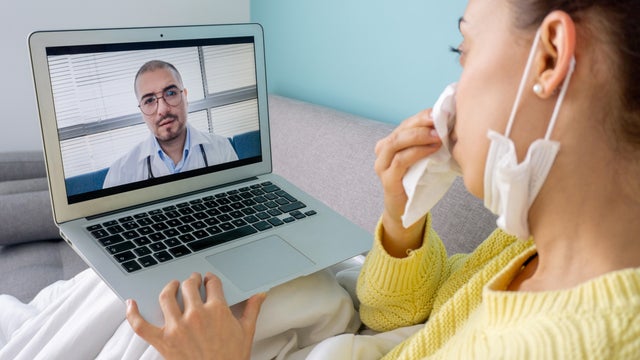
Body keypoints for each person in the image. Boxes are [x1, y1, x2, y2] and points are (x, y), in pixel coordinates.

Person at [0, 0, 638, 358]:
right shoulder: (527, 241)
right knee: (117, 289)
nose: (451, 92)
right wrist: (401, 220)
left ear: (550, 56)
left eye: (462, 52)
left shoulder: (567, 343)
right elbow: (392, 309)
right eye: (149, 101)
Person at [102, 60, 238, 188]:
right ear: (141, 111)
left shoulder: (222, 150)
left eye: (170, 93)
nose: (162, 110)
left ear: (185, 96)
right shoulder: (119, 175)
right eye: (149, 100)